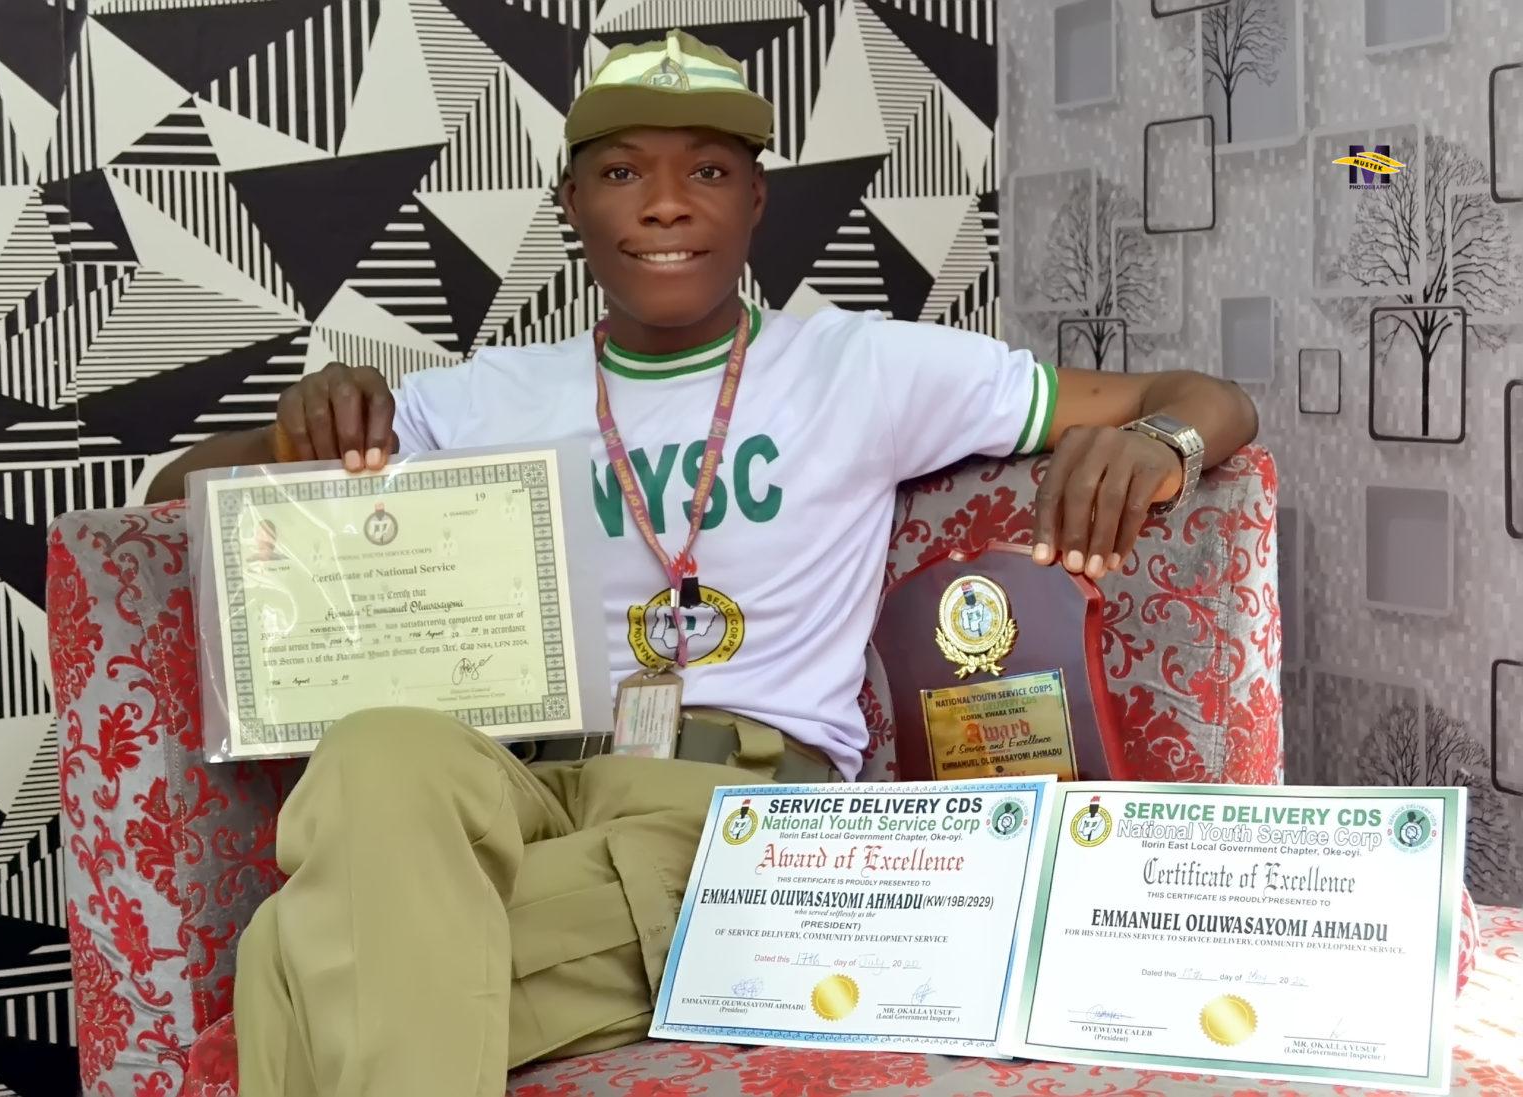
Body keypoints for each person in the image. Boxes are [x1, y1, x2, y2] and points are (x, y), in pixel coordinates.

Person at [147, 29, 1257, 1097]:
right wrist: (298, 426)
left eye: (709, 171)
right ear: (571, 202)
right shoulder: (483, 398)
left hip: (738, 819)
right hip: (522, 792)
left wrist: (1164, 441)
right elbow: (171, 496)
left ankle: (306, 970)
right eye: (623, 171)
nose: (667, 203)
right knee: (377, 744)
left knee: (297, 958)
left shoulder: (863, 368)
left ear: (755, 200)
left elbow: (1206, 398)